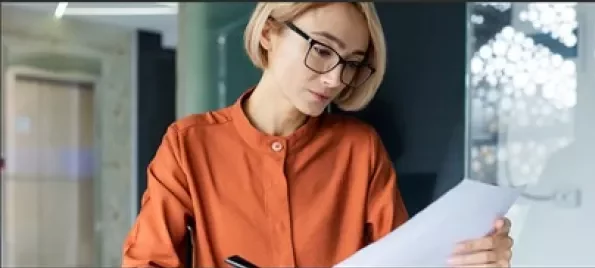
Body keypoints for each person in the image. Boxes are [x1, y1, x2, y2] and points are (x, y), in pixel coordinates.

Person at [122, 2, 513, 267]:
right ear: (269, 33)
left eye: (351, 64)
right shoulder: (189, 144)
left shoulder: (359, 151)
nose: (334, 79)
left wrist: (470, 258)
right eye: (323, 50)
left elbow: (405, 260)